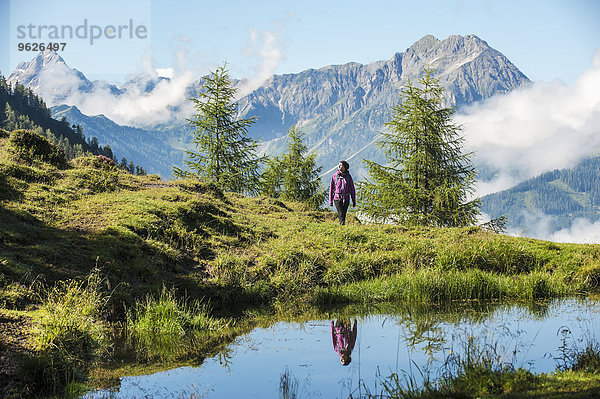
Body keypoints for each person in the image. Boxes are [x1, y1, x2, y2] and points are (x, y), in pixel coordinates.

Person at [329, 160, 356, 225]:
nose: (340, 167)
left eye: (341, 165)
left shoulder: (348, 177)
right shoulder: (335, 176)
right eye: (339, 165)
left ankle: (342, 227)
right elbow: (331, 189)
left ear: (345, 167)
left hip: (346, 198)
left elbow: (352, 189)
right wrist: (330, 201)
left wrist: (353, 201)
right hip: (337, 198)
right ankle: (342, 226)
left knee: (344, 213)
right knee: (341, 212)